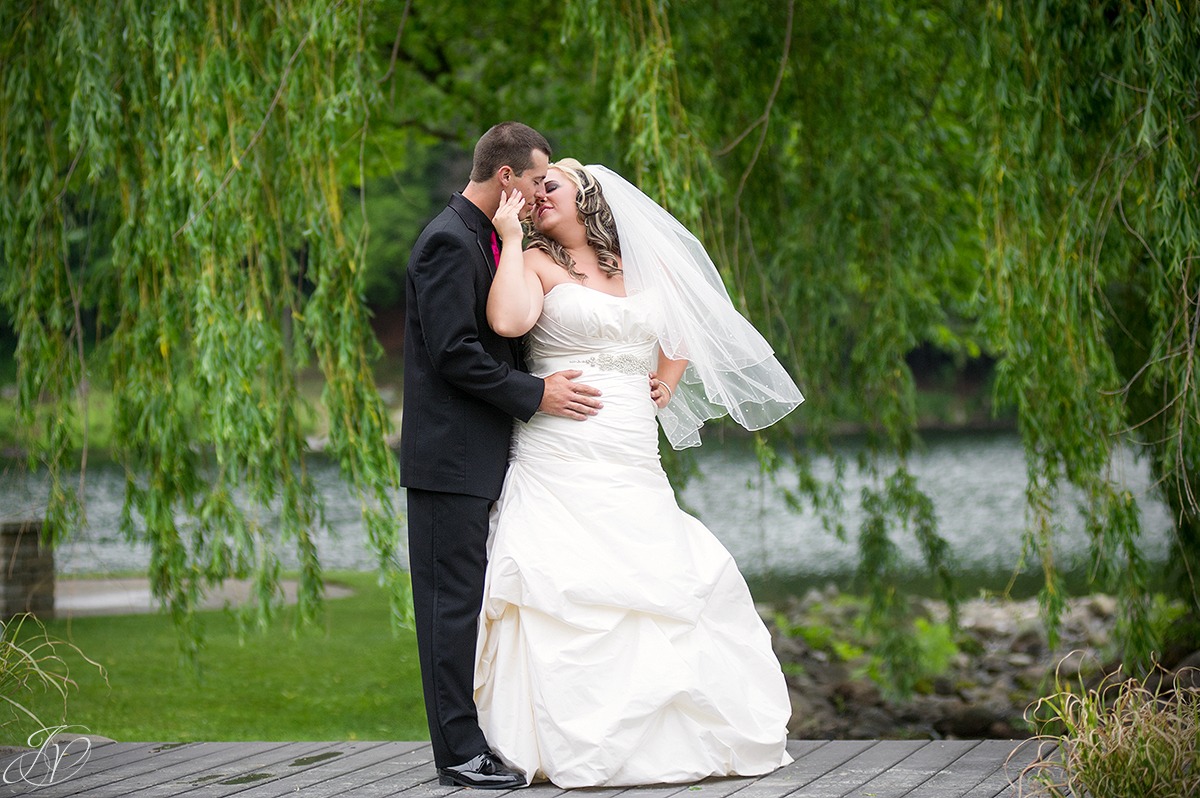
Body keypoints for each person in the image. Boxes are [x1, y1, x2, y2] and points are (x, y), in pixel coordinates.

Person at [474, 159, 805, 787]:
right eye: (532, 188)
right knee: (561, 578)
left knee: (657, 567)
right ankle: (560, 739)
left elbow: (687, 325)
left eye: (551, 187)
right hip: (558, 443)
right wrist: (512, 240)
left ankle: (681, 734)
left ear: (588, 197)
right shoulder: (536, 260)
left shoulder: (639, 265)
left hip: (629, 443)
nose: (538, 195)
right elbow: (509, 323)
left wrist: (668, 379)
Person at [400, 125, 605, 790]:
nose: (543, 189)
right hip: (448, 461)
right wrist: (536, 393)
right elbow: (454, 352)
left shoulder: (486, 237)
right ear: (507, 178)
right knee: (449, 607)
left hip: (482, 457)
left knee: (467, 602)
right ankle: (458, 754)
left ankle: (475, 740)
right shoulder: (446, 241)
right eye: (537, 178)